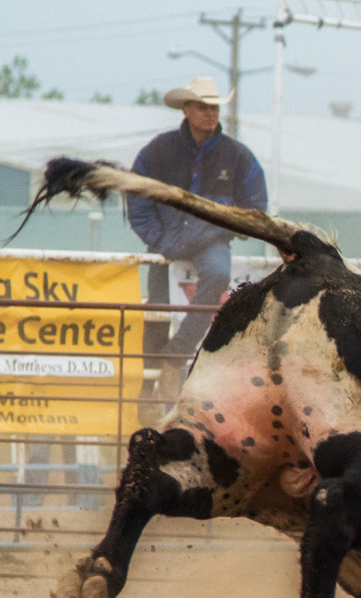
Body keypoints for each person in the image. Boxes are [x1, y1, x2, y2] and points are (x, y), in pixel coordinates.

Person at [128, 77, 268, 400]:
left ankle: (176, 354)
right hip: (166, 245)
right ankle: (147, 394)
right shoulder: (158, 151)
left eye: (214, 107)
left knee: (218, 273)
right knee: (157, 316)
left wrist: (223, 228)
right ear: (187, 110)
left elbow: (256, 207)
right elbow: (135, 195)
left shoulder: (237, 156)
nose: (211, 114)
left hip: (210, 243)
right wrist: (157, 237)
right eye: (204, 107)